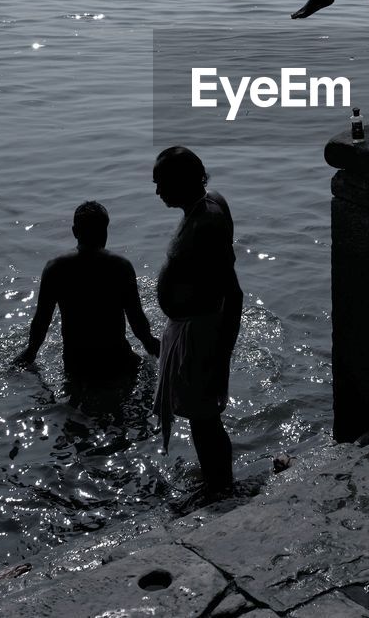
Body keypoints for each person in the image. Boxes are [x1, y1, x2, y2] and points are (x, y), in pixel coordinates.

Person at [152, 147, 242, 496]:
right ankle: (216, 481)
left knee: (205, 418)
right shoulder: (204, 206)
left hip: (202, 331)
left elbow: (232, 292)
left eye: (162, 184)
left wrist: (223, 353)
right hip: (193, 326)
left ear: (182, 181)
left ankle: (221, 488)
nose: (157, 192)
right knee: (200, 416)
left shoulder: (208, 222)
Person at [14, 201, 160, 377]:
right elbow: (136, 319)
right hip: (116, 360)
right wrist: (150, 343)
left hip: (77, 365)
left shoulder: (55, 269)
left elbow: (41, 320)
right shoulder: (120, 266)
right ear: (105, 232)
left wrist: (30, 352)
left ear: (75, 232)